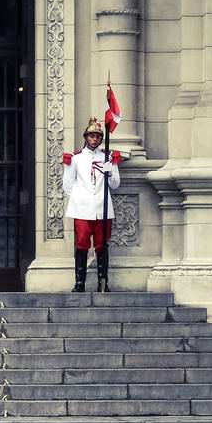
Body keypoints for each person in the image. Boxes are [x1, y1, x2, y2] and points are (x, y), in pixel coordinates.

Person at [63, 117, 123, 292]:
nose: (95, 139)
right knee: (81, 244)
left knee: (102, 245)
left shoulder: (109, 157)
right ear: (86, 138)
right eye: (91, 136)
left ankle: (102, 283)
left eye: (98, 136)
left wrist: (109, 172)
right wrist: (81, 199)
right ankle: (79, 284)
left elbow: (115, 184)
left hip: (103, 208)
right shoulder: (75, 158)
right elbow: (67, 184)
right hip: (82, 209)